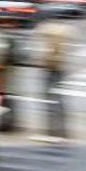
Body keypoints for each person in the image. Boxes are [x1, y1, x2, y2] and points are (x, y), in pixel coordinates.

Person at [34, 14, 73, 142]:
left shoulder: (51, 31)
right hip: (60, 67)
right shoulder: (64, 30)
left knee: (51, 100)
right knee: (59, 99)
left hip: (52, 68)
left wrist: (45, 63)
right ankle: (62, 130)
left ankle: (53, 131)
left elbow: (52, 51)